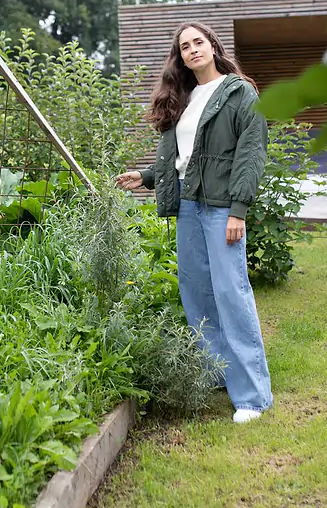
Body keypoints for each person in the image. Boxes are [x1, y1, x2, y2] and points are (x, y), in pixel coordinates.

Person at [115, 22, 273, 423]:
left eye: (197, 42)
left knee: (230, 292)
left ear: (213, 46)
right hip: (188, 204)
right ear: (180, 57)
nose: (191, 50)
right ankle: (216, 373)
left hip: (221, 207)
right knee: (196, 293)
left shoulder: (239, 93)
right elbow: (186, 158)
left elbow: (250, 153)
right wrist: (148, 176)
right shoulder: (184, 98)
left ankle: (253, 396)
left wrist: (239, 209)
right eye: (184, 47)